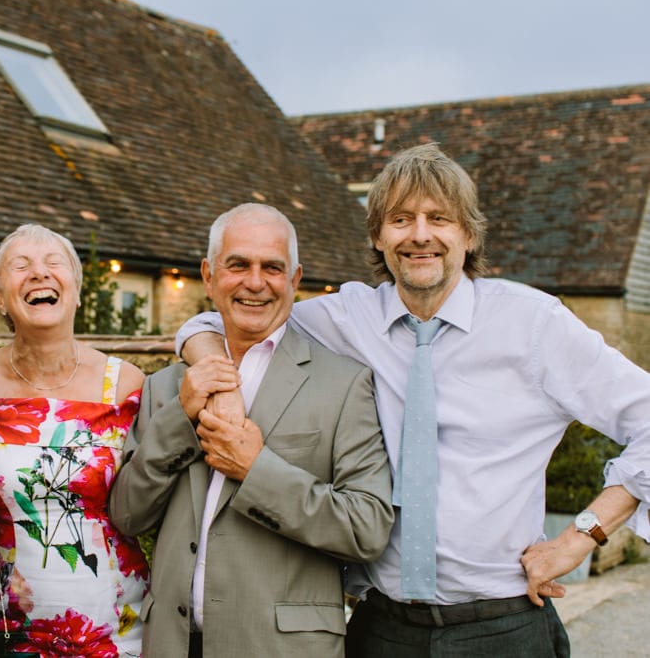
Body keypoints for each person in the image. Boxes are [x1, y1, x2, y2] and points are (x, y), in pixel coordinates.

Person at [176, 144, 650, 657]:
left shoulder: (535, 326)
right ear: (379, 236)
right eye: (400, 219)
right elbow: (221, 319)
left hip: (504, 625)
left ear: (468, 234)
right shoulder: (346, 319)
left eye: (438, 219)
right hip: (382, 626)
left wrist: (581, 535)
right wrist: (216, 377)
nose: (419, 234)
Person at [109, 204, 394, 657]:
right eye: (238, 265)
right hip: (172, 644)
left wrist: (257, 469)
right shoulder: (166, 387)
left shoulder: (345, 385)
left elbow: (367, 528)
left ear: (295, 280)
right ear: (208, 274)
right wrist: (181, 420)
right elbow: (127, 515)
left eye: (272, 268)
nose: (255, 282)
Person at [0, 223, 148, 657]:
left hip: (114, 621)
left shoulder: (125, 384)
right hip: (6, 624)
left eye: (53, 263)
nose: (39, 273)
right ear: (1, 300)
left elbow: (162, 488)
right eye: (21, 267)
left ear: (77, 291)